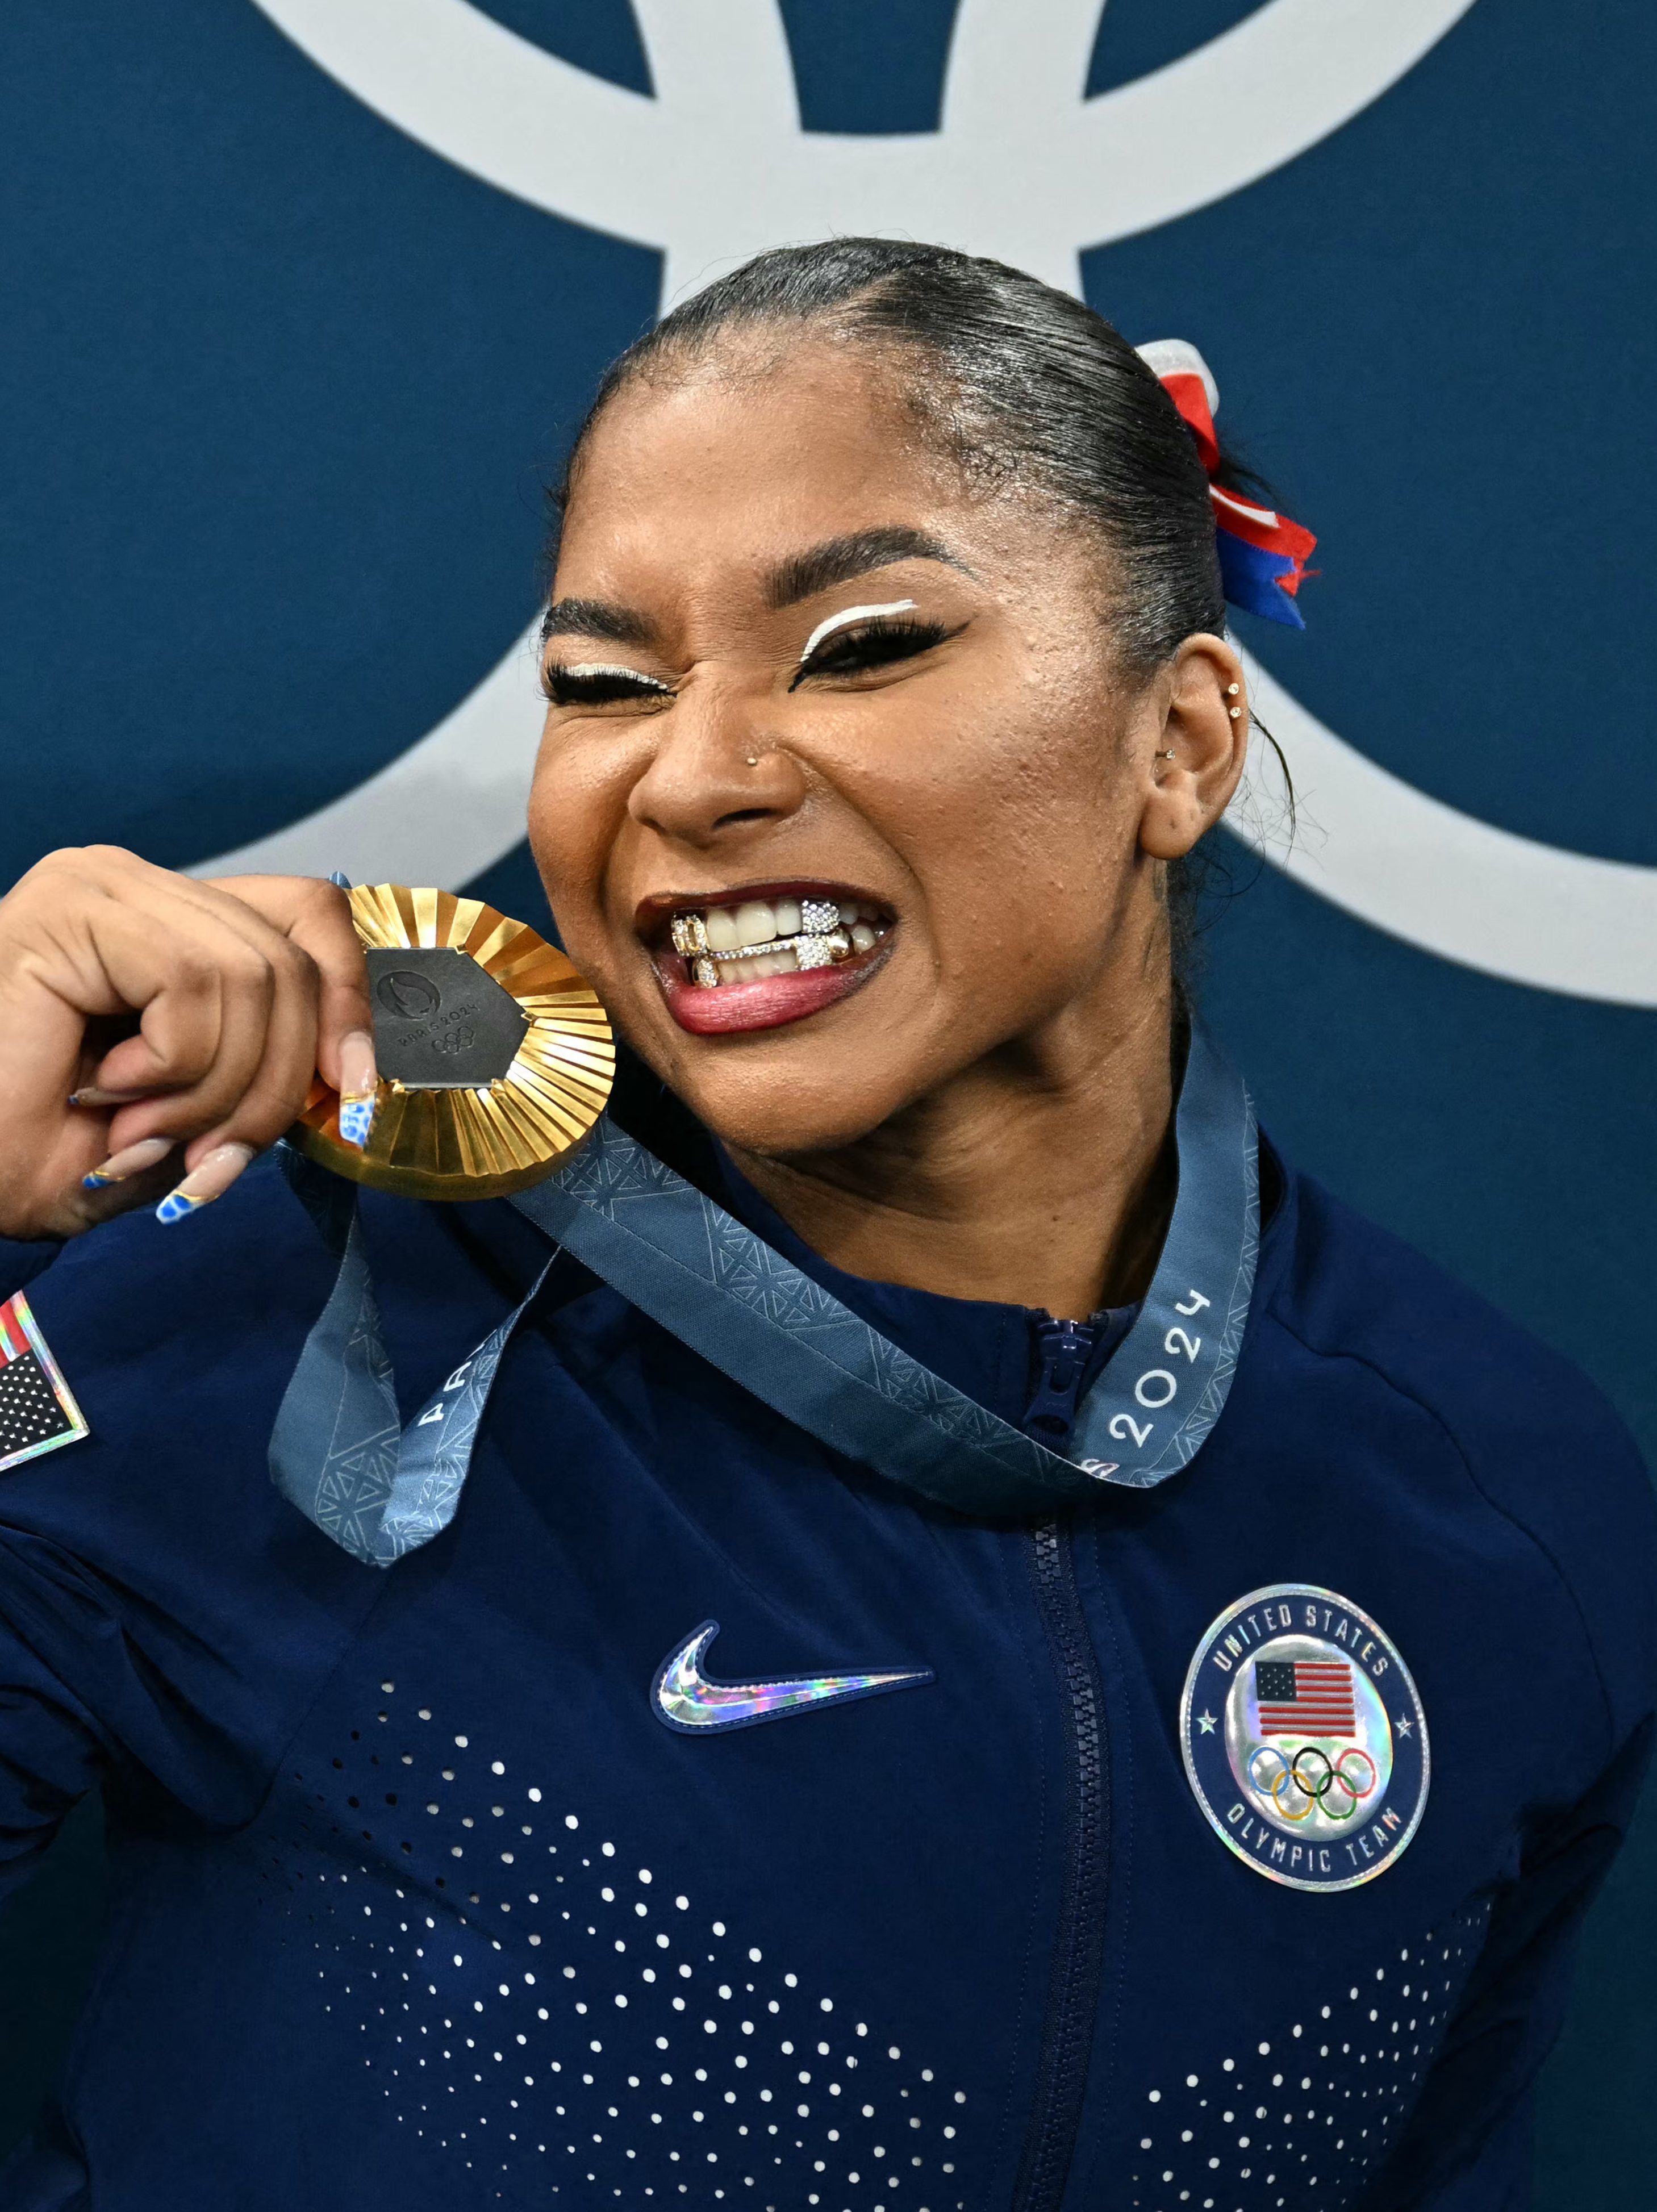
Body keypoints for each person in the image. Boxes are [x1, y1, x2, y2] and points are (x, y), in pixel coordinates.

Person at [0, 239, 1651, 2212]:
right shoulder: (273, 1329)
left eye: (862, 645)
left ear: (1183, 743)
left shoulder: (1508, 1495)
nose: (691, 775)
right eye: (603, 683)